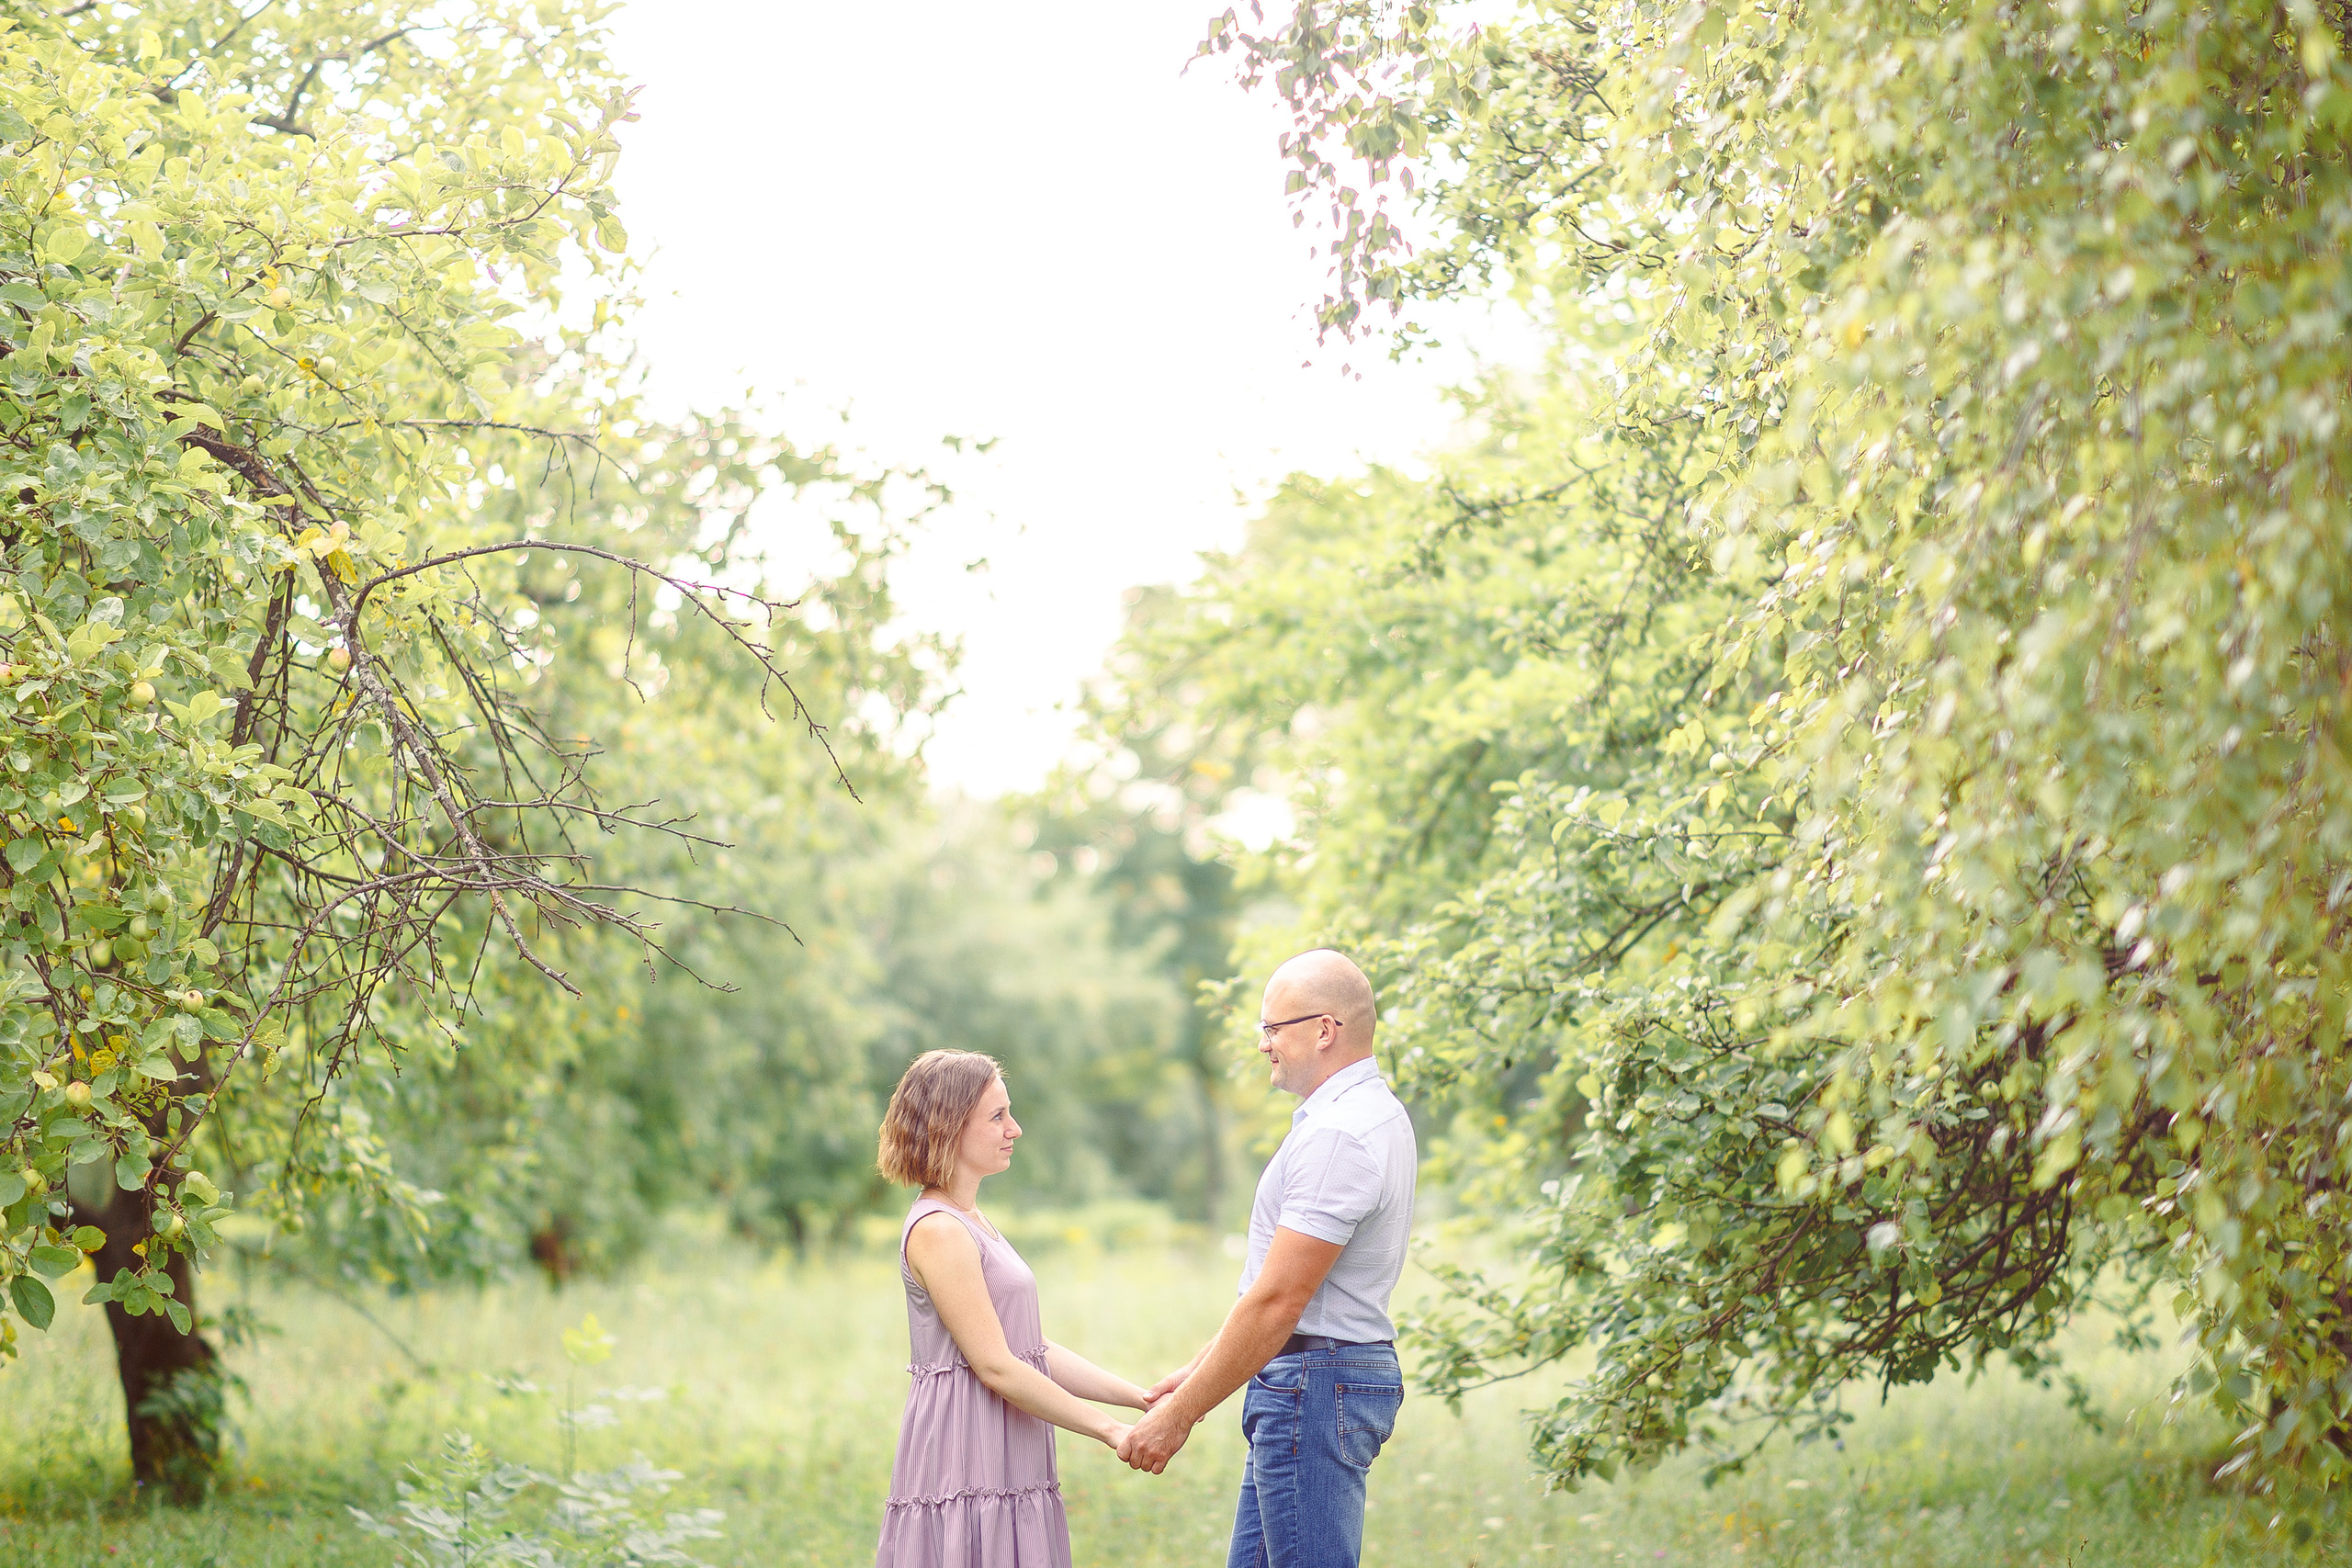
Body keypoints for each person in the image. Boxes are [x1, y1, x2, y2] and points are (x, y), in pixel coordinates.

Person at [1118, 949, 1418, 1568]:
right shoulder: (1367, 1114)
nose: (1263, 1044)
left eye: (1272, 1027)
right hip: (1313, 1376)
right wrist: (1200, 1367)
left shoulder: (1339, 1134)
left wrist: (1180, 1415)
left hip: (1313, 1382)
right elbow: (1278, 1287)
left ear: (1325, 1029)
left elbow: (1282, 1301)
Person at [874, 1048, 1155, 1568]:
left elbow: (1029, 1349)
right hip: (966, 1451)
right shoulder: (938, 1229)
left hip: (1009, 1445)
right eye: (998, 1116)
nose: (1015, 1129)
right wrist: (1109, 1430)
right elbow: (995, 1365)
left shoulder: (971, 1218)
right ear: (949, 1128)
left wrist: (1139, 1399)